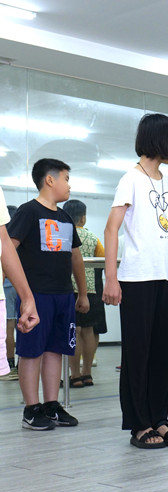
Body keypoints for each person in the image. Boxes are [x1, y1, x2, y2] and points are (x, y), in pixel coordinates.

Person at [103, 113, 168, 449]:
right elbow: (111, 229)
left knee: (163, 352)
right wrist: (111, 279)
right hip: (136, 278)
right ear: (160, 140)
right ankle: (139, 424)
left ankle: (160, 419)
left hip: (166, 276)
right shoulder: (131, 179)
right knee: (137, 353)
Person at [8, 159, 87, 430]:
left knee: (55, 350)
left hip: (63, 295)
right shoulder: (28, 212)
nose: (69, 185)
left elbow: (76, 257)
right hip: (35, 295)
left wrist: (82, 293)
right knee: (32, 352)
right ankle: (31, 409)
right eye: (66, 178)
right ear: (50, 180)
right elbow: (8, 249)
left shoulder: (65, 217)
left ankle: (52, 405)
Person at [63, 199, 106, 388]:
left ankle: (75, 375)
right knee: (89, 331)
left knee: (74, 331)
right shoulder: (93, 237)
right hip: (91, 290)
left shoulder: (63, 236)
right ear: (83, 218)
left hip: (69, 289)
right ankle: (87, 373)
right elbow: (102, 261)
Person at [0, 204, 19, 381]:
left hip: (6, 286)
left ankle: (10, 363)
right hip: (20, 286)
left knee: (9, 326)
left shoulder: (5, 240)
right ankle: (19, 364)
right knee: (22, 325)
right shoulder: (20, 238)